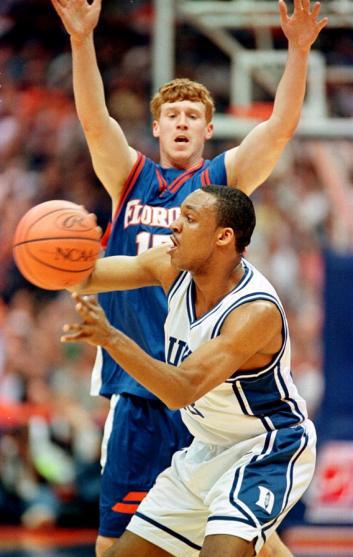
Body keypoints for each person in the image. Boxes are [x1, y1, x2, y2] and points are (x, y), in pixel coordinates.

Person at [50, 0, 327, 554]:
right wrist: (82, 41)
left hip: (208, 387)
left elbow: (278, 129)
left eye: (190, 115)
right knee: (123, 544)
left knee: (233, 537)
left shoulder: (223, 187)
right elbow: (92, 119)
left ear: (207, 128)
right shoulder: (132, 179)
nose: (180, 122)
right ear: (155, 127)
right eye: (171, 114)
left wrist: (298, 52)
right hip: (139, 389)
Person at [61, 186, 317, 557]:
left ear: (223, 237)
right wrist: (55, 254)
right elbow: (86, 278)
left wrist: (111, 339)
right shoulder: (169, 264)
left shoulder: (253, 312)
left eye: (190, 218)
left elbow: (181, 390)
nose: (175, 226)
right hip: (205, 449)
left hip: (266, 447)